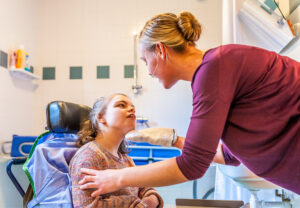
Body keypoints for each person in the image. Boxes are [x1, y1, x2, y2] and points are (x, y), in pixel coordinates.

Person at [78, 11, 300, 196]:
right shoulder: (213, 70)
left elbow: (192, 165)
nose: (147, 70)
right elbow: (231, 155)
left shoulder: (214, 68)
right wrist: (174, 140)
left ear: (161, 50)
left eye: (146, 61)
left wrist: (117, 178)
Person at [69, 93, 164, 208]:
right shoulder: (88, 156)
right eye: (121, 105)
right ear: (101, 117)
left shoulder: (126, 160)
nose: (131, 109)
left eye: (132, 106)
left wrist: (150, 200)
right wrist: (136, 204)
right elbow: (86, 206)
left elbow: (146, 189)